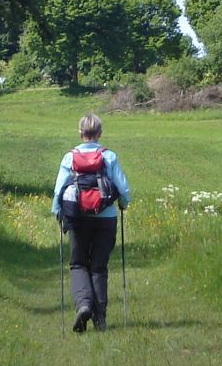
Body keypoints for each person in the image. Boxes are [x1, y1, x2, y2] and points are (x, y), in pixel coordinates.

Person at [51, 113, 130, 332]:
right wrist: (123, 204)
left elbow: (59, 190)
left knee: (78, 264)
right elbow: (122, 189)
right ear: (100, 133)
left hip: (77, 217)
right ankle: (100, 319)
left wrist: (57, 212)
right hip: (106, 218)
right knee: (98, 267)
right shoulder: (109, 156)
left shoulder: (69, 158)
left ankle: (83, 305)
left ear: (80, 132)